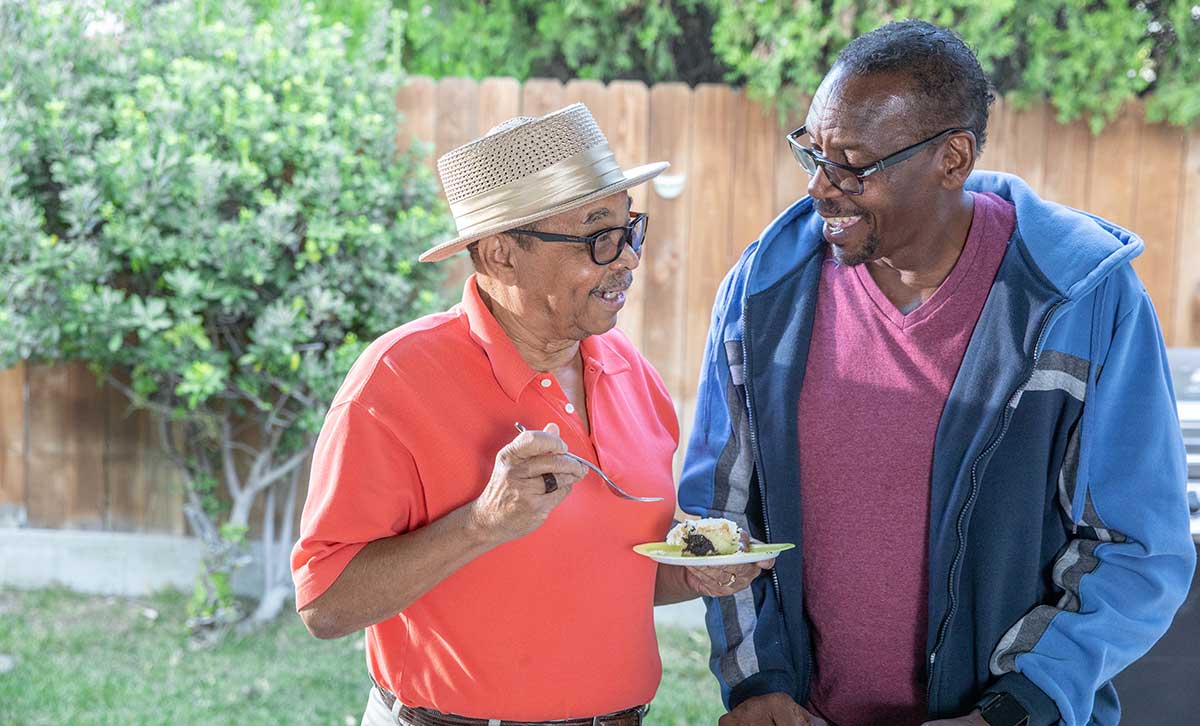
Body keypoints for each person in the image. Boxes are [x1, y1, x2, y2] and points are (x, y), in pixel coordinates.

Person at [677, 20, 1196, 726]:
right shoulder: (762, 292)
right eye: (813, 153)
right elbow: (721, 516)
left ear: (953, 159)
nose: (820, 188)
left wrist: (1016, 709)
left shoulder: (1084, 301)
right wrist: (756, 681)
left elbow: (1140, 551)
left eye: (852, 165)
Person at [290, 103, 771, 726]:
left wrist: (699, 572)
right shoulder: (396, 379)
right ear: (499, 256)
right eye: (598, 236)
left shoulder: (632, 373)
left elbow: (620, 574)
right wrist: (481, 524)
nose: (626, 258)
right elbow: (325, 606)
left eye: (630, 230)